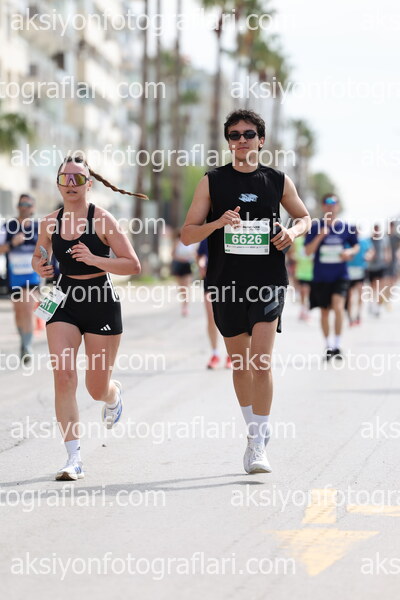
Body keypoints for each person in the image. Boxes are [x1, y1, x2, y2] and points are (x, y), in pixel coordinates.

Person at [181, 109, 310, 474]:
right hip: (226, 283)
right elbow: (187, 234)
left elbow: (304, 217)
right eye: (234, 135)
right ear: (228, 142)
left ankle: (257, 443)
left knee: (261, 361)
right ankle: (254, 428)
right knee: (240, 365)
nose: (241, 140)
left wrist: (292, 233)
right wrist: (217, 223)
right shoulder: (212, 181)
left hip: (268, 281)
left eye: (248, 134)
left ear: (261, 140)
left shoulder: (277, 180)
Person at [32, 154, 145, 481]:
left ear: (89, 184)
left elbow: (133, 264)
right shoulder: (49, 222)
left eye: (77, 179)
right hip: (63, 299)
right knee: (64, 376)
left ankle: (112, 394)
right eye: (65, 178)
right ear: (58, 184)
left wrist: (95, 259)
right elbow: (40, 256)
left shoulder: (103, 220)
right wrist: (41, 266)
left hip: (100, 301)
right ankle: (74, 458)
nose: (71, 184)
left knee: (96, 388)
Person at [305, 194, 359, 360]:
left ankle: (337, 345)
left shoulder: (346, 227)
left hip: (340, 275)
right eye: (327, 203)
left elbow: (356, 245)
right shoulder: (315, 227)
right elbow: (307, 251)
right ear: (323, 206)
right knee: (324, 312)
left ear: (338, 206)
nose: (331, 206)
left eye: (334, 203)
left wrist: (349, 252)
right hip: (321, 277)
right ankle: (328, 346)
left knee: (338, 306)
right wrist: (320, 236)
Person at [0, 194, 40, 364]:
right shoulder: (8, 226)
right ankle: (23, 341)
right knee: (19, 311)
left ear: (33, 208)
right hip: (14, 276)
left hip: (33, 276)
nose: (24, 207)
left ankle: (28, 346)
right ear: (18, 206)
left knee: (28, 308)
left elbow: (48, 249)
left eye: (28, 204)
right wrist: (12, 244)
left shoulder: (38, 227)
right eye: (22, 204)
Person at [197, 237, 231, 369]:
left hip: (231, 281)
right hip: (211, 280)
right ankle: (215, 354)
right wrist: (200, 264)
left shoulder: (234, 231)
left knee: (230, 319)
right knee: (211, 318)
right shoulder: (208, 234)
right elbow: (200, 255)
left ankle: (231, 355)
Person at [346, 227, 373, 326]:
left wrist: (368, 256)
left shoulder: (364, 242)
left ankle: (358, 315)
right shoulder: (347, 242)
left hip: (360, 270)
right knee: (350, 296)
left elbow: (371, 251)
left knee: (360, 294)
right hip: (348, 271)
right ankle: (350, 317)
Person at [171, 229, 197, 317]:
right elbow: (173, 254)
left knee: (186, 286)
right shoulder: (177, 242)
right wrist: (181, 259)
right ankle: (183, 301)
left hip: (187, 265)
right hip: (178, 265)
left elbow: (194, 254)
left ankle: (185, 306)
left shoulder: (191, 243)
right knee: (181, 287)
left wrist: (189, 258)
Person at [367, 223, 390, 317]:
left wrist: (387, 257)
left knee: (380, 287)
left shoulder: (384, 239)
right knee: (372, 287)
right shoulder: (369, 240)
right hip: (371, 267)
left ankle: (378, 307)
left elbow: (386, 249)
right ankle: (371, 304)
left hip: (381, 266)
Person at [290, 234, 313, 321]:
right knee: (304, 290)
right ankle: (303, 309)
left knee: (308, 291)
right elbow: (292, 253)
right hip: (301, 270)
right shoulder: (297, 240)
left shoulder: (313, 238)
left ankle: (306, 309)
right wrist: (295, 258)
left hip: (312, 270)